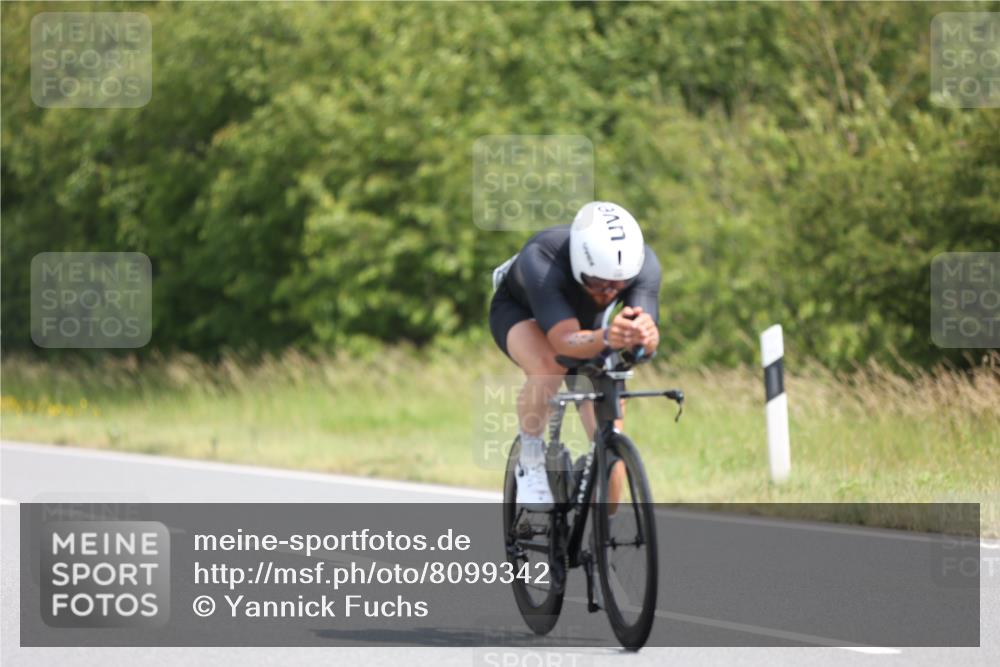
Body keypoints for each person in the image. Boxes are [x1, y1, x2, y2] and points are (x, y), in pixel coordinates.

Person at [489, 201, 661, 510]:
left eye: (619, 285)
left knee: (611, 450)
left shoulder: (643, 265)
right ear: (580, 262)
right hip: (523, 313)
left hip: (589, 326)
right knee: (549, 365)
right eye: (598, 282)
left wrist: (645, 338)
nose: (608, 293)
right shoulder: (543, 257)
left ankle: (597, 524)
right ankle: (530, 457)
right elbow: (564, 342)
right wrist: (608, 337)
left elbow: (644, 342)